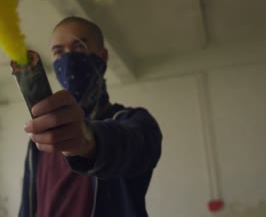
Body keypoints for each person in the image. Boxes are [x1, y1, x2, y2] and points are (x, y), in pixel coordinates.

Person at [19, 16, 162, 217]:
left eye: (79, 47)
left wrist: (90, 141)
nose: (68, 58)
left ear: (102, 56)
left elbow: (135, 147)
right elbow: (28, 204)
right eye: (58, 52)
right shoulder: (42, 138)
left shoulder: (135, 121)